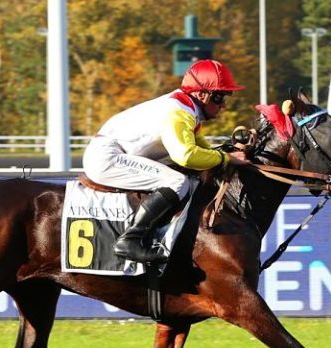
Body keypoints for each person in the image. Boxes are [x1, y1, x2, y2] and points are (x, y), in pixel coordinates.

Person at [82, 59, 251, 264]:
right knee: (177, 181)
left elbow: (202, 149)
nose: (223, 105)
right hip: (107, 157)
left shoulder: (187, 108)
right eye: (219, 97)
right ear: (201, 94)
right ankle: (130, 240)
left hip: (113, 153)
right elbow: (186, 155)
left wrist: (225, 155)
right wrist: (225, 158)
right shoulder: (180, 112)